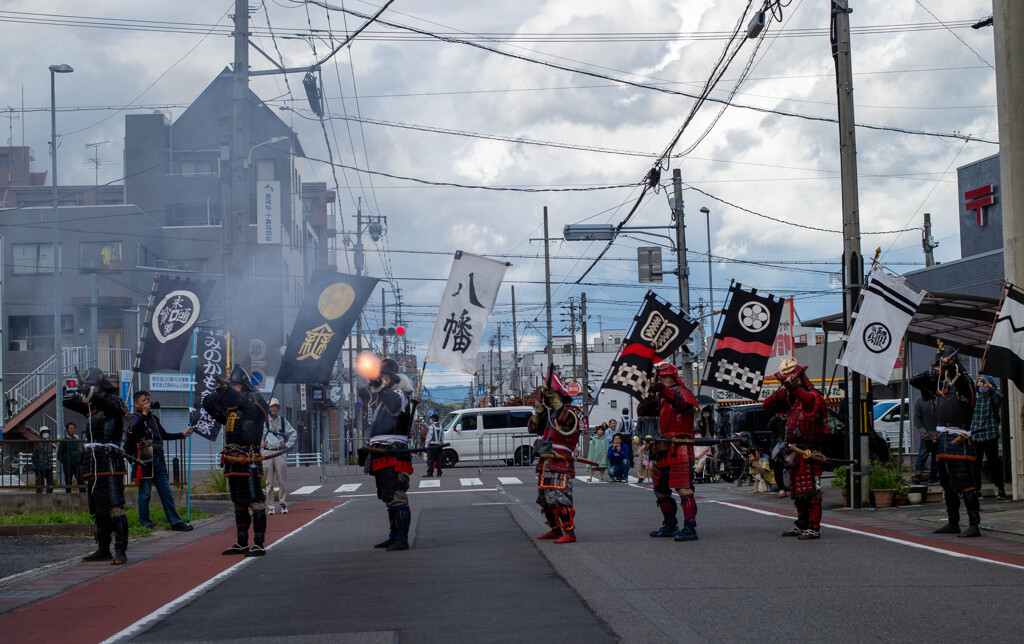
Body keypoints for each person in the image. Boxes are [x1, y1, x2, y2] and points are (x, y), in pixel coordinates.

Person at [62, 368, 131, 564]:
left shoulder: (113, 401)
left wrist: (90, 394)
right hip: (92, 460)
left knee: (114, 506)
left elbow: (110, 409)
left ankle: (120, 549)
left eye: (91, 384)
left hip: (109, 459)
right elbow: (65, 402)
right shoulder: (91, 406)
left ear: (101, 385)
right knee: (97, 508)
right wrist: (78, 393)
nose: (90, 388)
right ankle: (103, 547)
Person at [202, 365, 271, 557]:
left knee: (255, 501)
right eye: (230, 384)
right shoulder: (231, 404)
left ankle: (258, 543)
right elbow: (208, 403)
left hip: (249, 458)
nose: (232, 387)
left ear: (244, 385)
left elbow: (250, 407)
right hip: (233, 459)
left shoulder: (254, 399)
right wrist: (221, 389)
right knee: (239, 502)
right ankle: (242, 542)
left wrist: (229, 390)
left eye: (235, 384)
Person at [913, 345, 981, 537]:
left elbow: (963, 381)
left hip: (959, 439)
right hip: (942, 440)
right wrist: (931, 371)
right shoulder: (939, 388)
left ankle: (974, 524)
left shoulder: (965, 385)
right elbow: (914, 380)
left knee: (965, 482)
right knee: (947, 484)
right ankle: (953, 523)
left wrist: (952, 366)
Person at [763, 357, 827, 540]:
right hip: (793, 452)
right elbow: (766, 405)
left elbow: (806, 398)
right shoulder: (791, 402)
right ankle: (801, 525)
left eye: (794, 379)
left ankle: (813, 528)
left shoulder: (813, 397)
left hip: (810, 451)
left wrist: (789, 385)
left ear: (800, 379)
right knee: (798, 492)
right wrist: (778, 393)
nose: (791, 383)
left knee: (812, 492)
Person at [359, 358, 415, 552]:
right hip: (380, 451)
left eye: (383, 376)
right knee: (387, 496)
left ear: (392, 377)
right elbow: (362, 395)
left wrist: (381, 387)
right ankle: (394, 535)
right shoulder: (382, 396)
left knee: (397, 494)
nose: (381, 379)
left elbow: (393, 405)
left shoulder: (401, 394)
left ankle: (402, 537)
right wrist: (372, 383)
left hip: (394, 452)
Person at [639, 362, 700, 542]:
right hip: (664, 447)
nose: (662, 379)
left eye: (665, 376)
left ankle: (690, 527)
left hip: (681, 447)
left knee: (684, 489)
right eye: (660, 377)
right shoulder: (662, 397)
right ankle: (670, 524)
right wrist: (649, 395)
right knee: (660, 489)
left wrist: (661, 390)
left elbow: (680, 405)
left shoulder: (683, 392)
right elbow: (643, 411)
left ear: (674, 377)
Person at [125, 391, 194, 531]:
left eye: (148, 400)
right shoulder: (134, 417)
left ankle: (175, 522)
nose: (147, 403)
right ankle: (145, 523)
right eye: (144, 400)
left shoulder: (154, 419)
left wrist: (182, 434)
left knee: (166, 491)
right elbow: (134, 431)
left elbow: (164, 435)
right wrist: (144, 414)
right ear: (137, 404)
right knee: (145, 493)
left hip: (158, 456)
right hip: (144, 455)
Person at [529, 381, 584, 543]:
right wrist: (539, 411)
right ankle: (555, 530)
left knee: (560, 496)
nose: (550, 399)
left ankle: (570, 532)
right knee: (544, 498)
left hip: (561, 459)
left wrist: (553, 401)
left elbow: (567, 421)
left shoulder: (573, 411)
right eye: (548, 397)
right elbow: (533, 428)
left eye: (553, 396)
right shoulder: (549, 413)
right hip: (545, 460)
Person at [971, 376, 1006, 500]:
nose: (982, 386)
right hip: (976, 435)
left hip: (990, 434)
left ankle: (1000, 489)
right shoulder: (976, 400)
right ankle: (976, 489)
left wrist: (990, 385)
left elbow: (1000, 396)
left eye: (984, 384)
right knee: (976, 464)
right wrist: (974, 385)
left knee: (994, 463)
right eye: (981, 384)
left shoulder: (992, 399)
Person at [262, 397, 298, 514]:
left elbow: (293, 433)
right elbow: (258, 436)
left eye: (275, 406)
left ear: (278, 408)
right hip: (267, 451)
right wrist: (261, 444)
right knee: (269, 482)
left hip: (280, 452)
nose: (273, 408)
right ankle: (271, 506)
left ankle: (283, 504)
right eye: (272, 406)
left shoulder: (282, 421)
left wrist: (287, 444)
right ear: (269, 408)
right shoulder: (264, 421)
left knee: (282, 480)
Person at [910, 387, 939, 485]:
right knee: (922, 456)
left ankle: (933, 476)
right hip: (926, 434)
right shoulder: (919, 401)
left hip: (938, 433)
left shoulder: (938, 400)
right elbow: (917, 418)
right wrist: (924, 433)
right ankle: (917, 475)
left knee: (936, 457)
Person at [57, 422, 85, 493]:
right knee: (68, 480)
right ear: (67, 430)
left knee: (80, 479)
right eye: (70, 429)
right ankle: (68, 494)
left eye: (73, 428)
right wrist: (65, 460)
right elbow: (59, 453)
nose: (72, 430)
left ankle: (83, 493)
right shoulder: (64, 441)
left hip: (76, 463)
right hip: (68, 463)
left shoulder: (76, 439)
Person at [32, 427, 55, 494]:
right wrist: (35, 465)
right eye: (44, 432)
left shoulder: (49, 443)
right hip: (41, 465)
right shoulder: (38, 443)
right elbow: (34, 454)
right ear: (41, 434)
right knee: (40, 483)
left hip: (48, 465)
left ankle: (49, 495)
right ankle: (39, 496)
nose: (46, 434)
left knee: (50, 483)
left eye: (47, 432)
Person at [425, 413, 444, 477]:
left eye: (431, 418)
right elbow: (442, 437)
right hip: (439, 446)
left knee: (431, 460)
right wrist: (442, 444)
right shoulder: (441, 427)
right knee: (439, 460)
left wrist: (426, 446)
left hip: (432, 446)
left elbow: (429, 437)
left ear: (434, 419)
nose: (430, 419)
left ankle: (430, 473)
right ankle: (439, 473)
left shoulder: (432, 427)